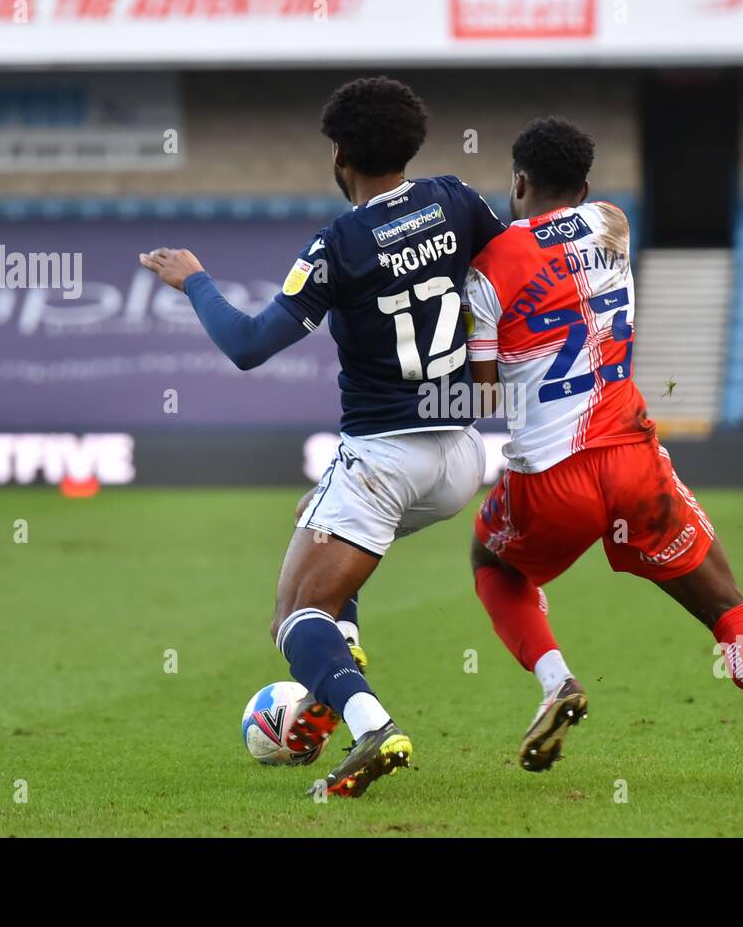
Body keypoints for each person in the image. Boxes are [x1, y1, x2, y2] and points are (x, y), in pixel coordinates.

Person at [140, 77, 504, 797]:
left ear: (340, 156)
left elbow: (248, 344)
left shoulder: (337, 245)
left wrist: (194, 281)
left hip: (385, 457)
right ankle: (343, 655)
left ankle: (370, 722)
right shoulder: (458, 200)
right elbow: (509, 271)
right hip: (463, 456)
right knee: (318, 521)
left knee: (292, 616)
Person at [463, 117, 743, 788]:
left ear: (518, 182)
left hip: (550, 478)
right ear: (584, 186)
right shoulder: (612, 221)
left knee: (492, 562)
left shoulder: (488, 268)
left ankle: (556, 680)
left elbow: (484, 395)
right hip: (633, 461)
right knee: (727, 604)